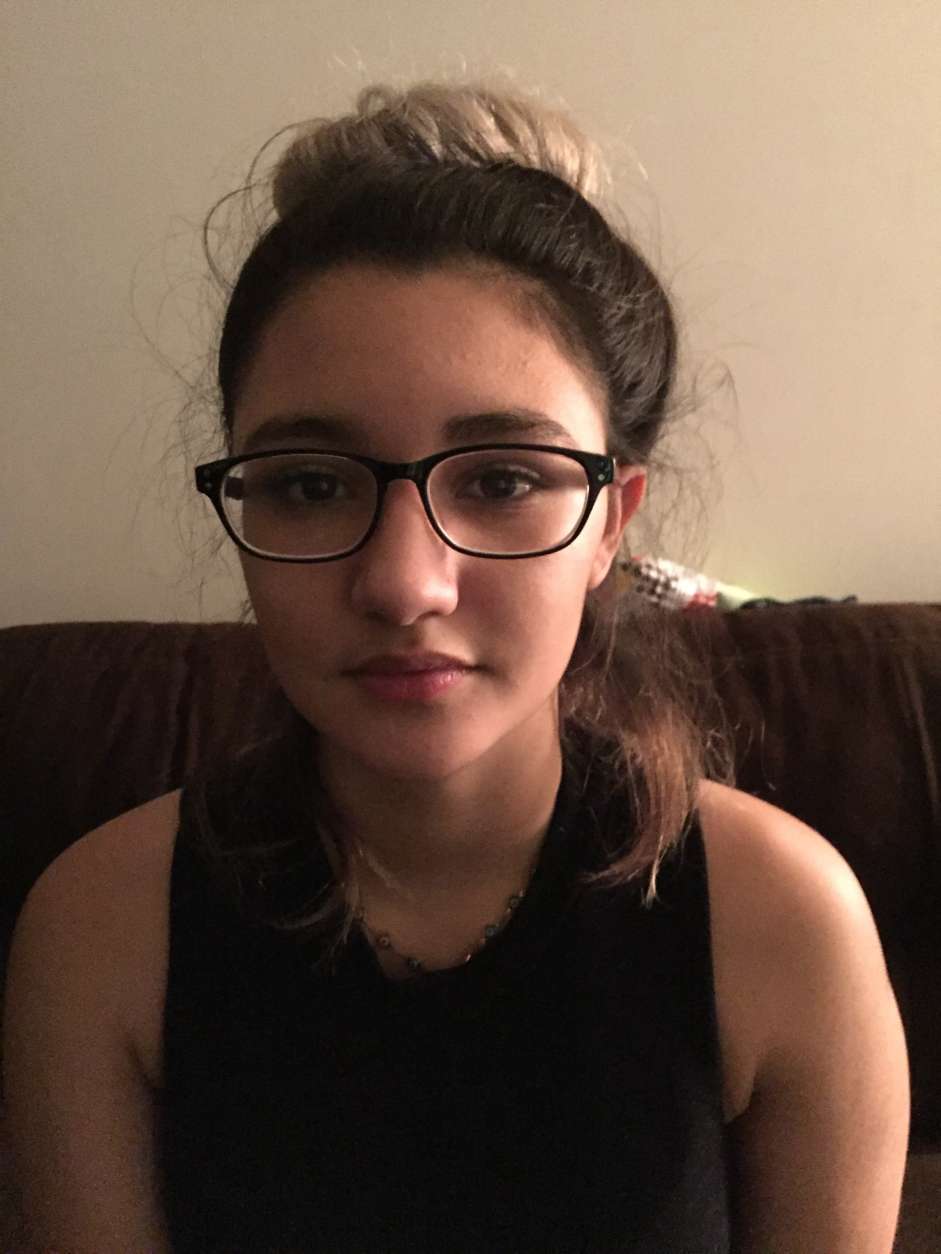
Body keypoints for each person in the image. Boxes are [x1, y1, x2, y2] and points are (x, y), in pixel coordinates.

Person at [3, 80, 909, 1253]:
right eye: (312, 484)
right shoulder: (102, 932)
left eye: (501, 479)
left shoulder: (777, 918)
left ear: (610, 521)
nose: (403, 584)